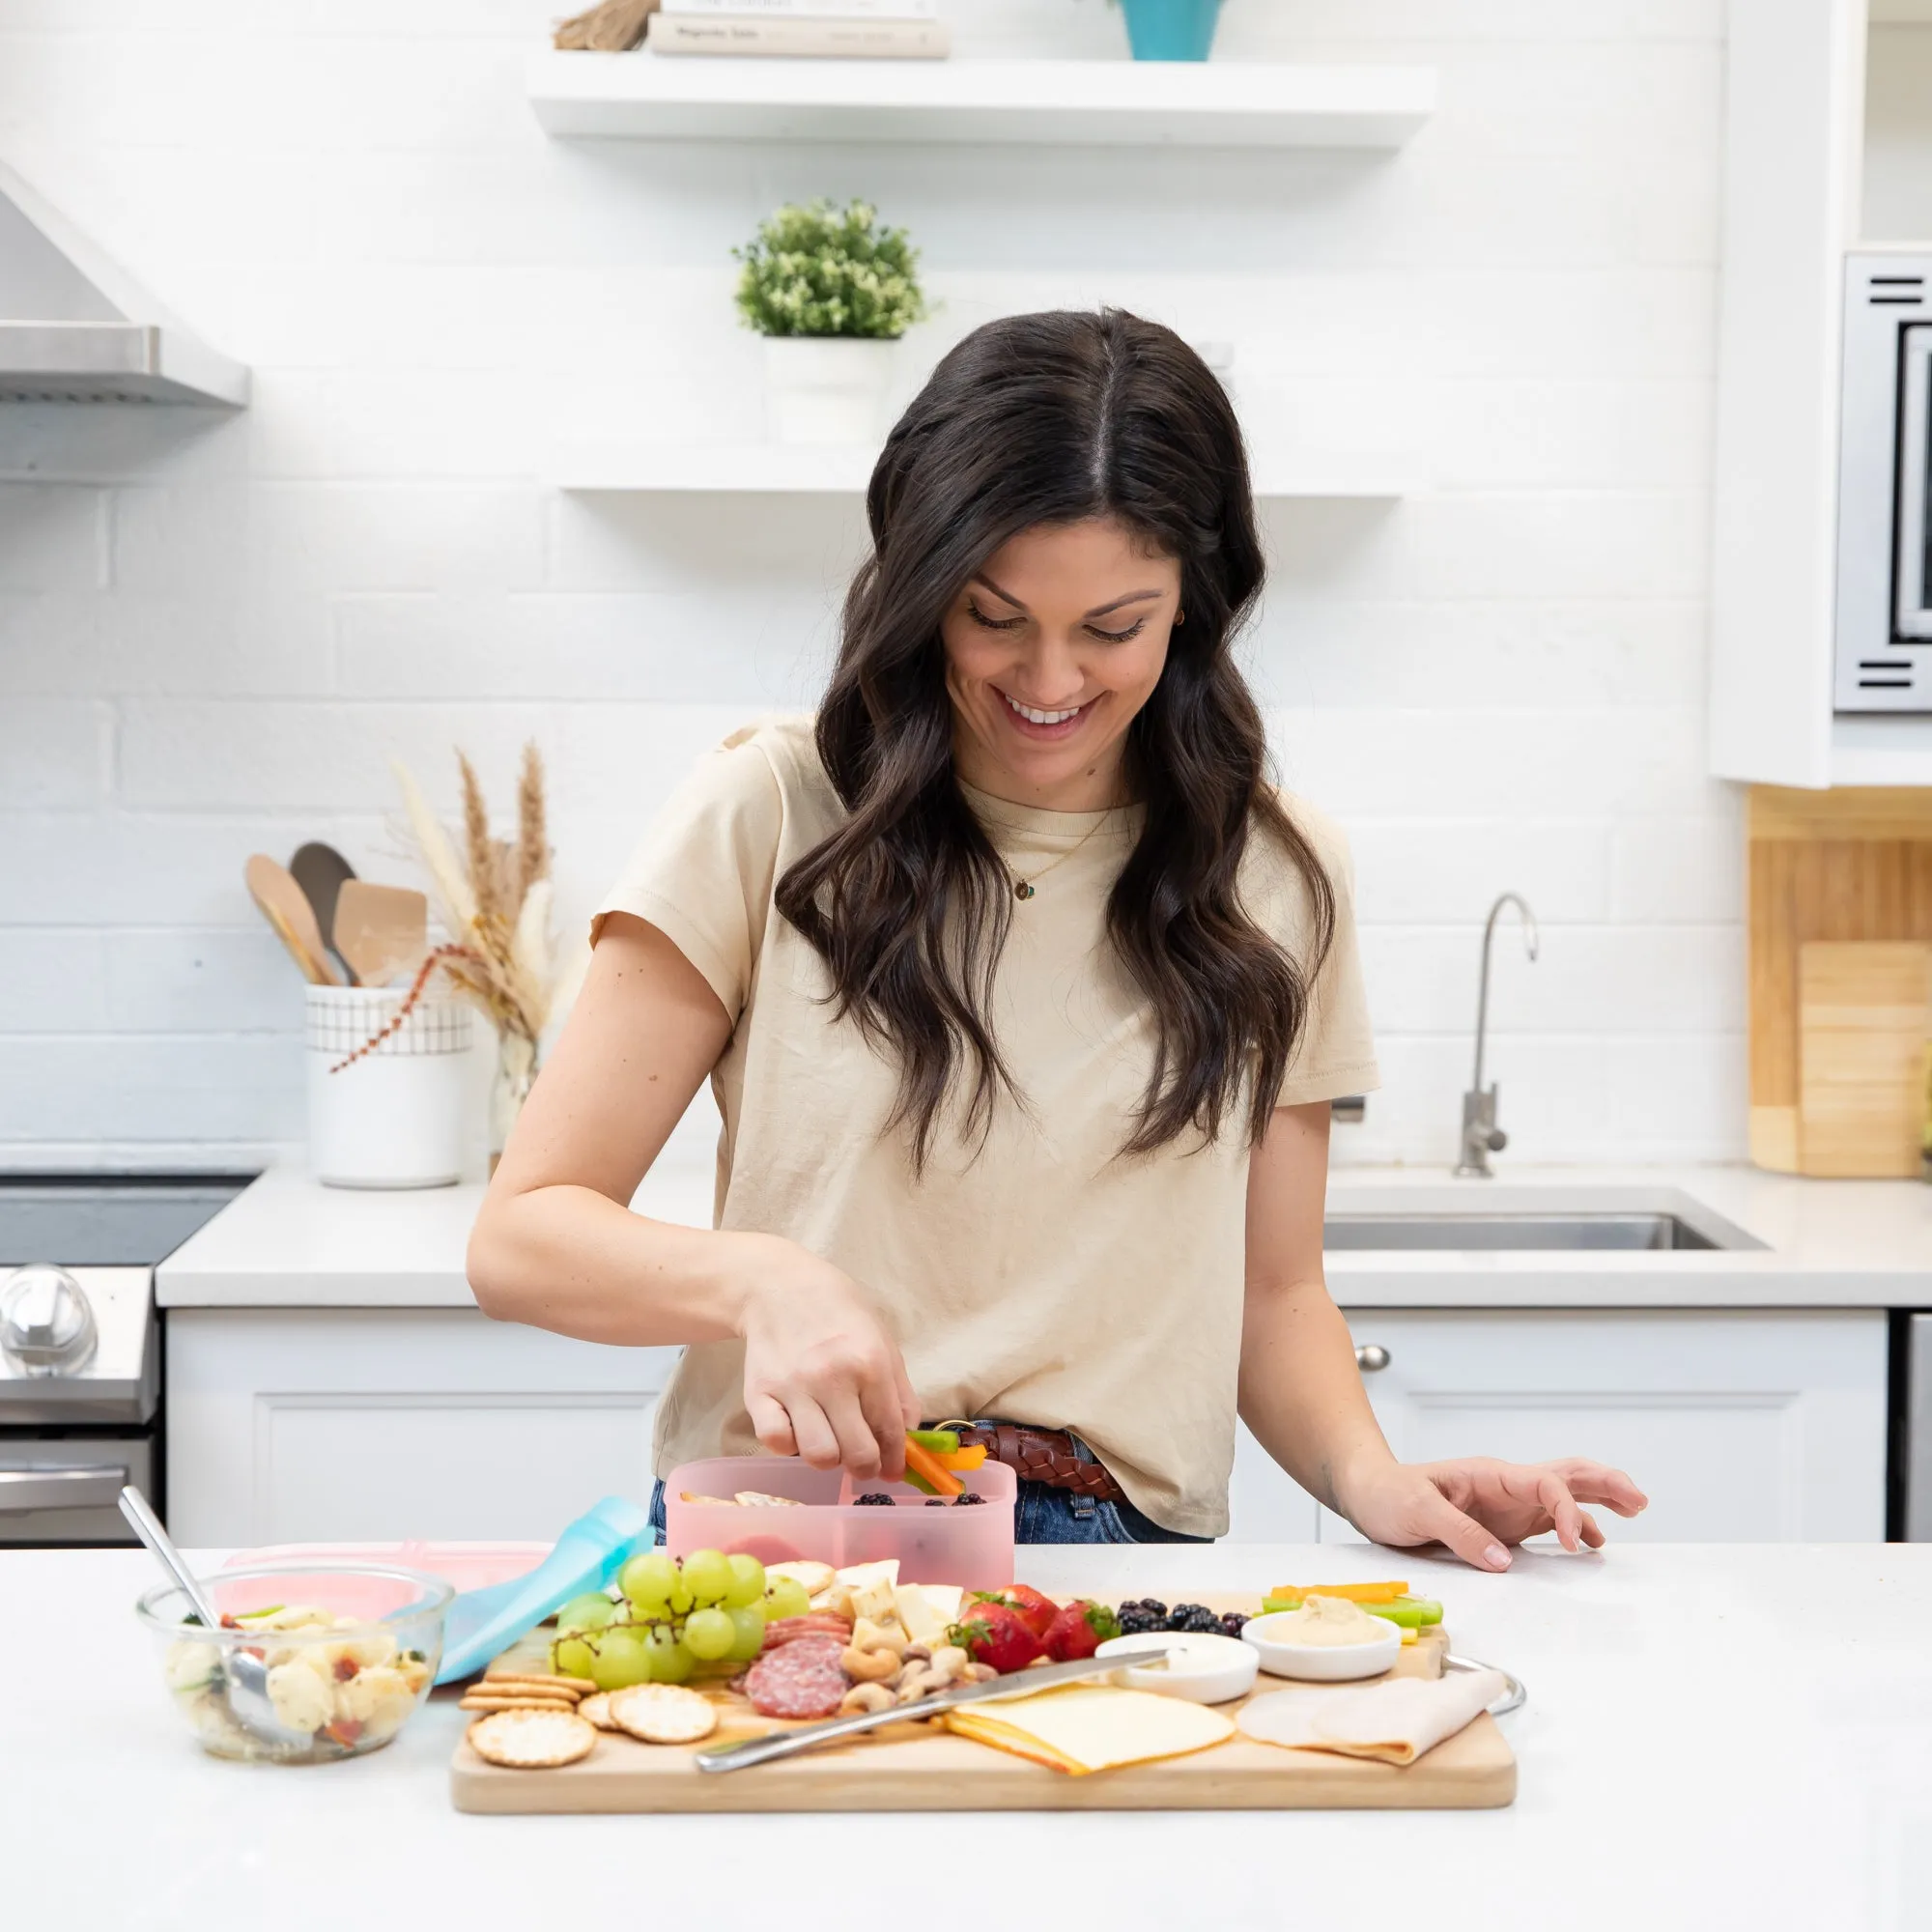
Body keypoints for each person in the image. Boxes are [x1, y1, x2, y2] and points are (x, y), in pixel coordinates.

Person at [469, 308, 1647, 1561]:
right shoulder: (773, 809)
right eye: (994, 615)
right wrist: (762, 1281)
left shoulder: (1277, 873)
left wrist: (1373, 1477)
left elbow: (1274, 1292)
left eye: (1112, 627)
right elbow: (523, 1235)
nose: (1046, 679)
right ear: (921, 586)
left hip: (1123, 1550)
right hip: (788, 1538)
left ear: (1194, 607)